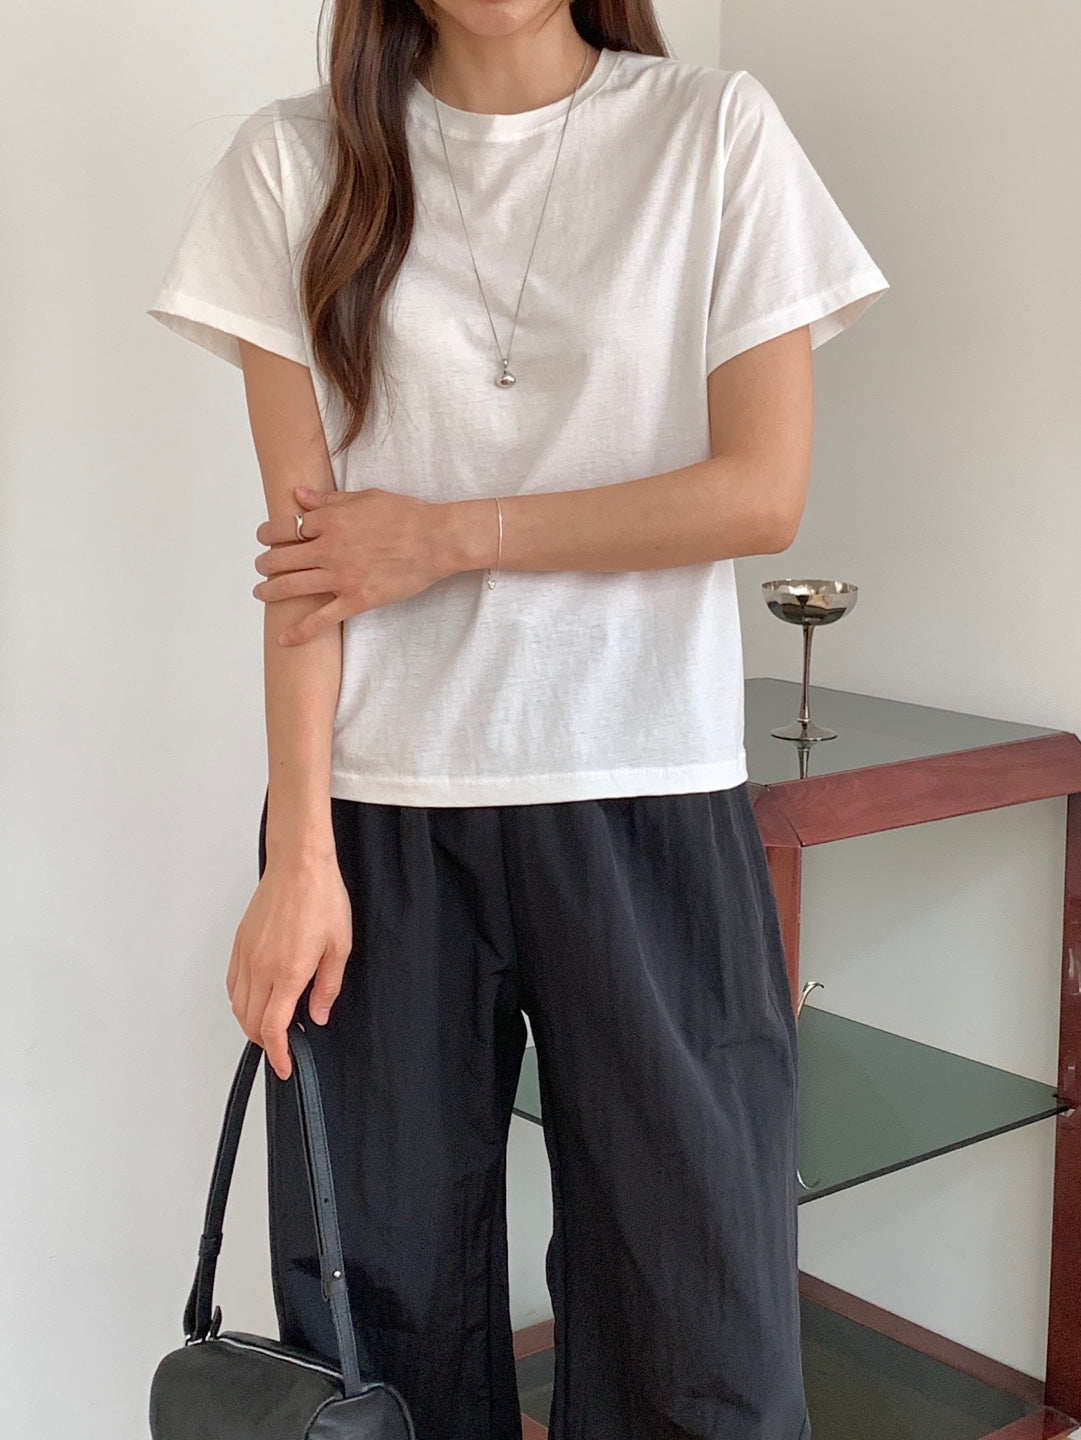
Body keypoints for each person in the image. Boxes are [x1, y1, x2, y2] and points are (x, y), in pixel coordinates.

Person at [147, 0, 888, 1434]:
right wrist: (297, 855)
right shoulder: (294, 166)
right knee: (381, 1325)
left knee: (700, 1317)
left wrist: (447, 536)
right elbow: (306, 568)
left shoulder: (709, 134)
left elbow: (759, 492)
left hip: (647, 792)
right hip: (379, 821)